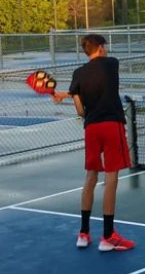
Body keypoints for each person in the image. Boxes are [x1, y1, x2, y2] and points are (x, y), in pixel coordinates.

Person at [53, 34, 136, 251]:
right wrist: (70, 93)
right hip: (111, 125)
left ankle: (83, 233)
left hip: (91, 128)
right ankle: (108, 237)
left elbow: (81, 111)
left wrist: (70, 94)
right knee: (111, 178)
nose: (107, 50)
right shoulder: (111, 64)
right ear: (99, 48)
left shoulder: (78, 74)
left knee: (91, 176)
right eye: (105, 46)